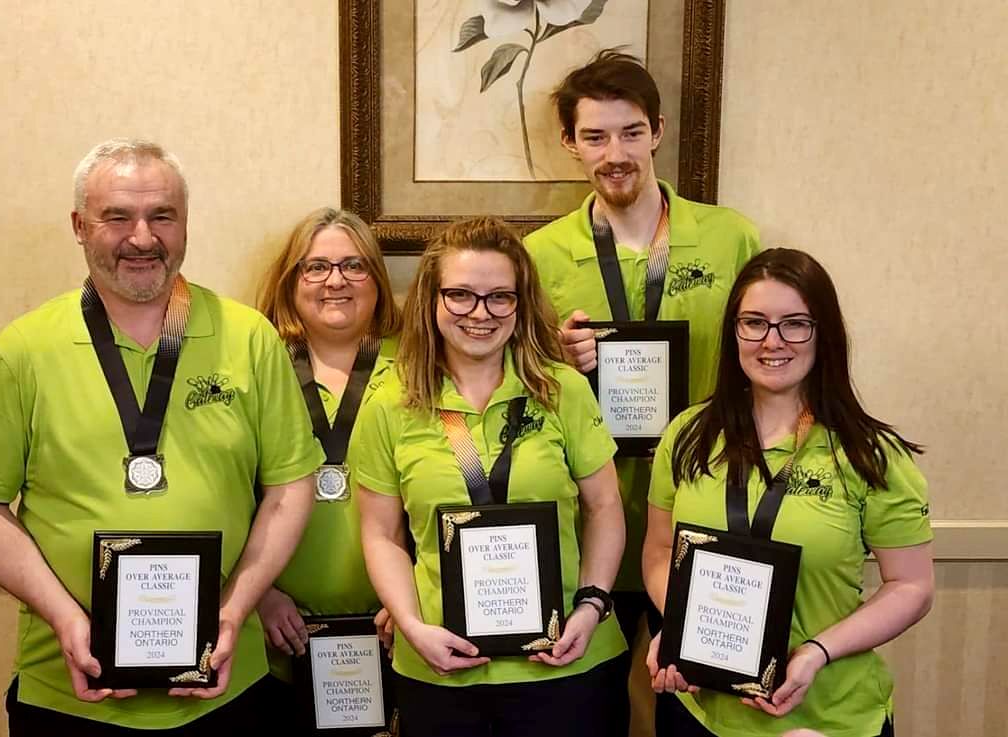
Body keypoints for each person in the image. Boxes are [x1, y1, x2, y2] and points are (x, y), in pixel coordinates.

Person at [0, 138, 324, 735]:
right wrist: (67, 620)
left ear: (185, 224)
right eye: (117, 216)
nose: (142, 238)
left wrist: (233, 612)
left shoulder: (250, 339)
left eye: (162, 216)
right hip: (68, 694)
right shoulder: (23, 350)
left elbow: (290, 486)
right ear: (79, 225)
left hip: (229, 689)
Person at [349, 216, 629, 737]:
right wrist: (411, 628)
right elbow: (381, 534)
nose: (480, 313)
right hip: (443, 665)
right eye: (460, 295)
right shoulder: (390, 403)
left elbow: (605, 508)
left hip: (569, 659)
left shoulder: (562, 390)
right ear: (431, 301)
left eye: (500, 296)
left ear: (521, 304)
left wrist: (592, 606)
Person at [643, 248, 934, 737]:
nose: (772, 341)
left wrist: (816, 654)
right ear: (734, 330)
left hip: (826, 718)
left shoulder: (870, 454)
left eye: (795, 323)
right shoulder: (688, 435)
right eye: (754, 322)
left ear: (824, 333)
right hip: (702, 713)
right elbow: (656, 550)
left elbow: (912, 586)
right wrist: (679, 626)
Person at [524, 49, 761, 647]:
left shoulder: (730, 237)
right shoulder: (538, 255)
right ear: (570, 143)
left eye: (631, 133)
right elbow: (508, 383)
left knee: (691, 696)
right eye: (595, 136)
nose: (615, 154)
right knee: (594, 706)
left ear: (657, 131)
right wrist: (552, 361)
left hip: (704, 507)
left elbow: (770, 359)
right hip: (591, 521)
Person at [253, 207, 401, 731]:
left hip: (394, 626)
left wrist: (412, 600)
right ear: (291, 281)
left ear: (377, 280)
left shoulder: (419, 366)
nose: (335, 280)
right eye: (315, 267)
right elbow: (224, 490)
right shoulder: (257, 366)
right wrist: (257, 595)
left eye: (353, 265)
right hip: (276, 629)